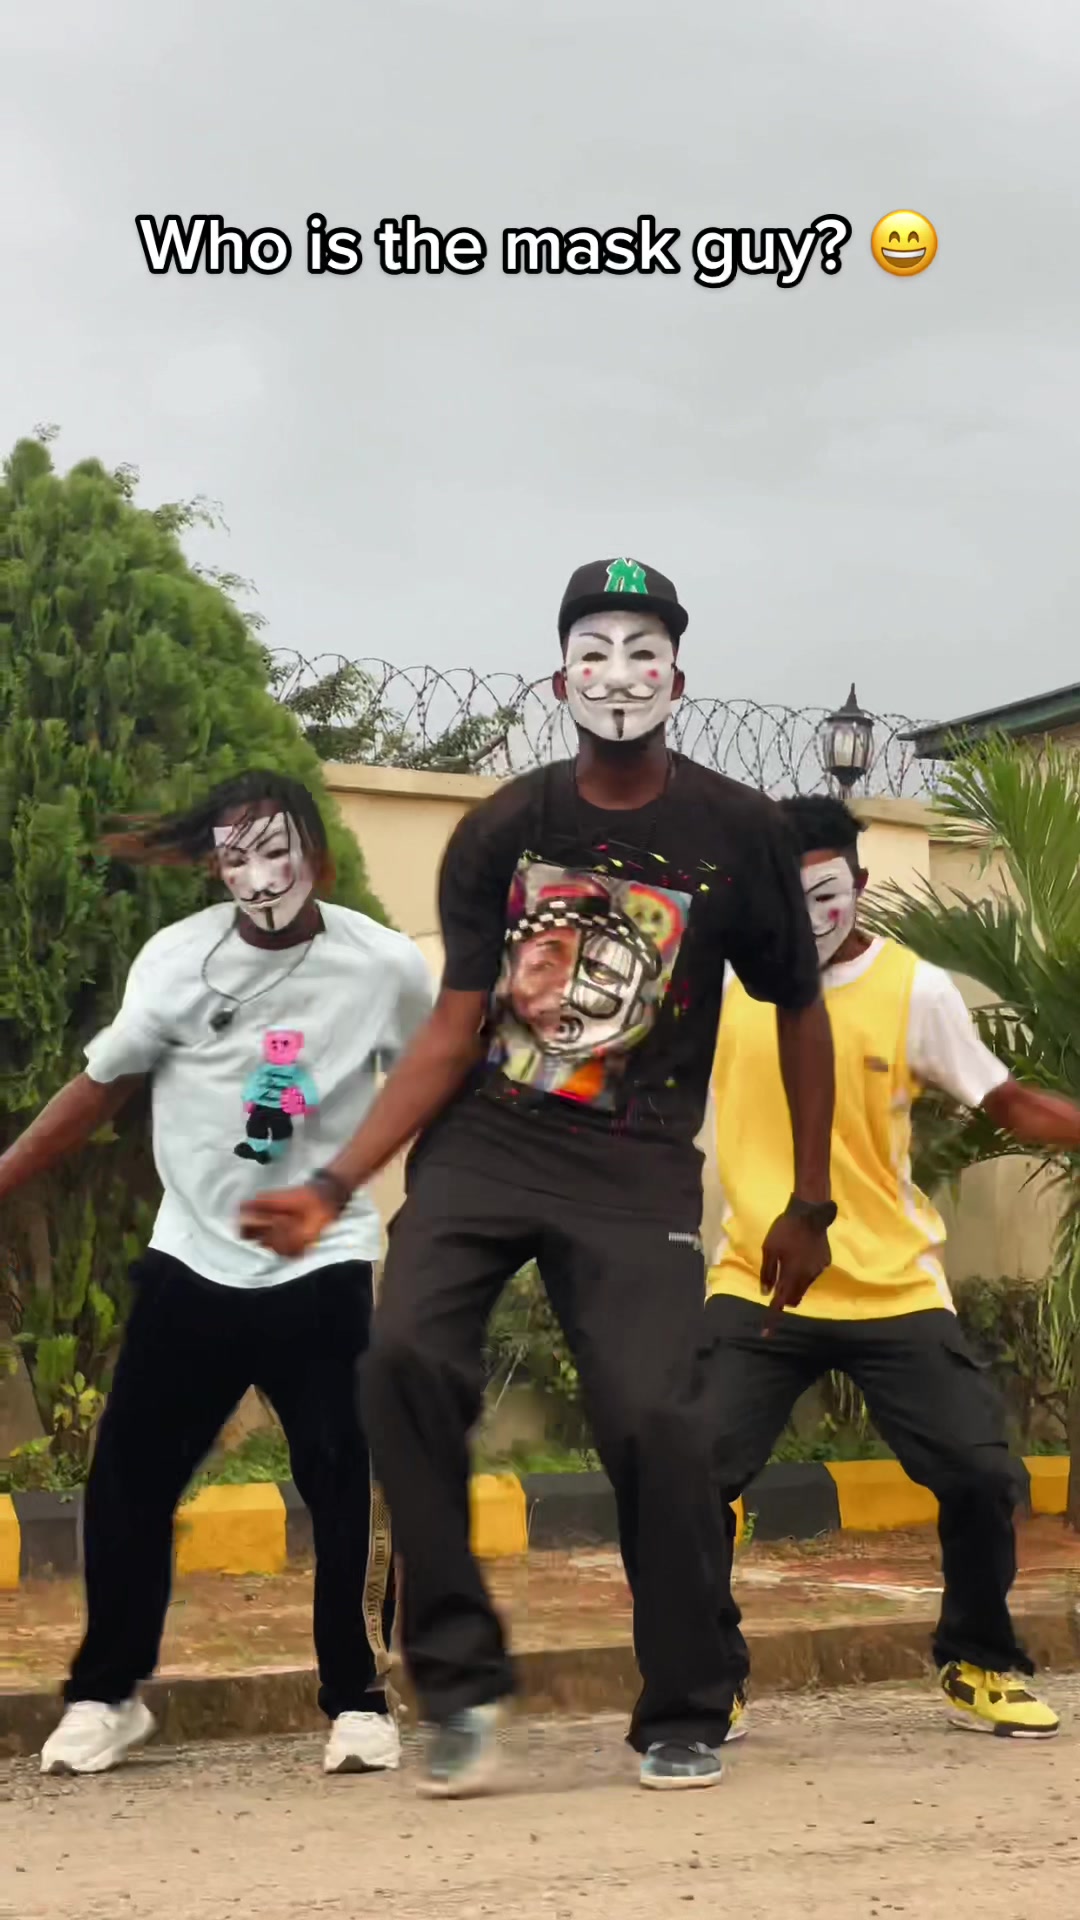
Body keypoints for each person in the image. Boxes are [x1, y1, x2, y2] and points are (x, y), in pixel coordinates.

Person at [241, 558, 837, 1796]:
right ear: (560, 679)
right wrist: (338, 1179)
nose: (618, 674)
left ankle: (686, 1700)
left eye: (642, 650)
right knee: (402, 1360)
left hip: (635, 1168)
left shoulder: (741, 835)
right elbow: (454, 1025)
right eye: (594, 652)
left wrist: (809, 1199)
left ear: (678, 677)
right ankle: (458, 1683)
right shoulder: (504, 830)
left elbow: (798, 1009)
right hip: (488, 1145)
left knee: (657, 1419)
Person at [0, 771, 433, 1777]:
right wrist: (7, 1173)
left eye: (276, 851)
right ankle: (106, 1696)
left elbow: (433, 1079)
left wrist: (433, 1213)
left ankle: (358, 1700)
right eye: (236, 856)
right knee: (127, 1480)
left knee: (343, 1482)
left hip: (322, 1258)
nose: (259, 875)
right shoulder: (177, 959)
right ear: (213, 867)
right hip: (192, 1256)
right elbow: (102, 1085)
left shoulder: (383, 966)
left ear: (316, 857)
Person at [701, 793, 1080, 1739]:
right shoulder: (724, 980)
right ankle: (707, 1677)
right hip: (758, 1278)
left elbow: (1006, 1102)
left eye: (824, 893)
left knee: (982, 1476)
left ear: (860, 885)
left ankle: (977, 1661)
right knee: (688, 1474)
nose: (806, 917)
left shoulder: (918, 990)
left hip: (893, 1285)